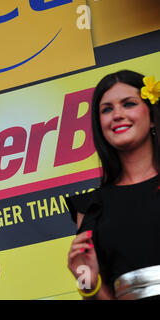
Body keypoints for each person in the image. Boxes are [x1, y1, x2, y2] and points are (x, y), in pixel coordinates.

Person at [66, 70, 160, 300]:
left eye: (128, 104)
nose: (117, 115)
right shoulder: (90, 208)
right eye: (107, 109)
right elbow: (94, 288)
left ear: (153, 116)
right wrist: (87, 284)